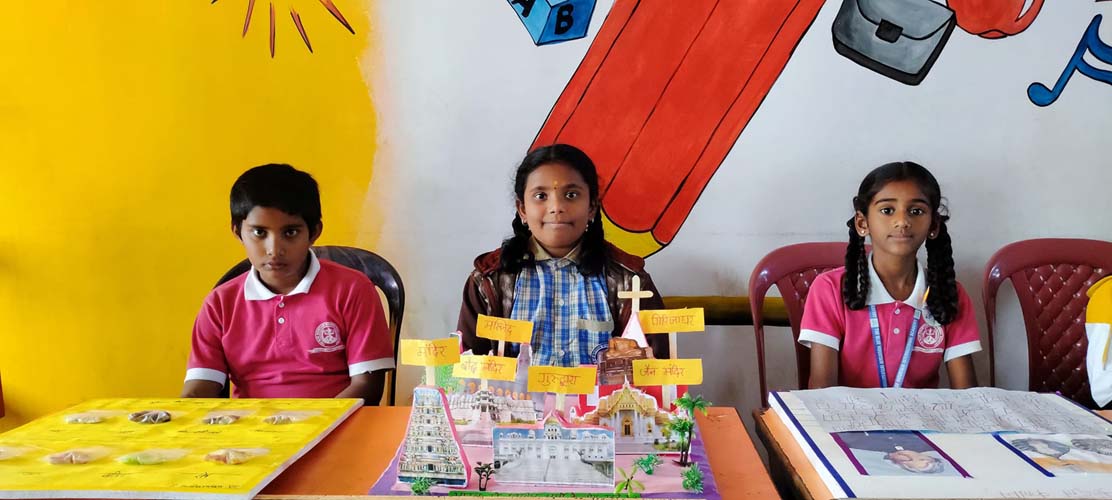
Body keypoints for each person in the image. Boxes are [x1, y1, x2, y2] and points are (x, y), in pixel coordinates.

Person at [181, 164, 394, 404]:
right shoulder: (220, 304)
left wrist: (317, 422)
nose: (274, 249)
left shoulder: (353, 290)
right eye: (259, 233)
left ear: (314, 232)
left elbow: (367, 387)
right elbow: (200, 386)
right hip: (249, 425)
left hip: (339, 423)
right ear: (238, 232)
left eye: (290, 232)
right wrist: (178, 414)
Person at [457, 144, 668, 367]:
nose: (556, 207)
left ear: (591, 207)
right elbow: (466, 368)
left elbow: (657, 370)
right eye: (541, 196)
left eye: (571, 195)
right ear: (522, 209)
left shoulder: (629, 280)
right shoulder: (489, 280)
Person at [801, 162, 980, 389]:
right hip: (846, 413)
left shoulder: (948, 292)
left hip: (922, 413)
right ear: (862, 223)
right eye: (887, 210)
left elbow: (967, 395)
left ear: (933, 225)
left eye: (916, 211)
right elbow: (821, 392)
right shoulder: (829, 289)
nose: (902, 221)